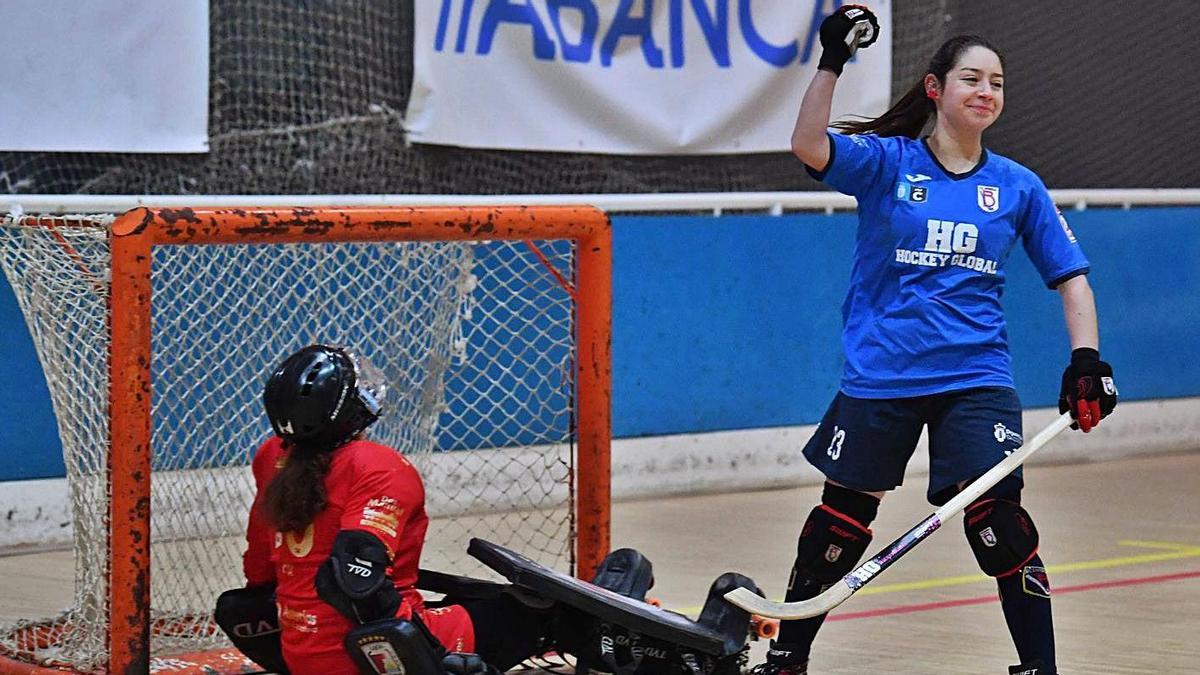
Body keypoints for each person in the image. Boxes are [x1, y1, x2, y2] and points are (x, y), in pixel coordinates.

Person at [753, 6, 1118, 675]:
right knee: (837, 528)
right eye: (972, 79)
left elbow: (1073, 279)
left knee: (1001, 523)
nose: (986, 91)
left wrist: (1087, 361)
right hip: (882, 375)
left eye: (998, 83)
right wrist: (832, 61)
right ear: (935, 89)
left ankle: (1041, 666)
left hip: (976, 378)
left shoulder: (1017, 185)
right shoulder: (888, 164)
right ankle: (787, 656)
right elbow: (809, 145)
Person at [229, 344, 550, 674]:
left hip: (302, 655)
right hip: (365, 653)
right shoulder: (378, 466)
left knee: (238, 606)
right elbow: (355, 582)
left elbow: (259, 570)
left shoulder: (271, 456)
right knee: (538, 613)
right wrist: (433, 658)